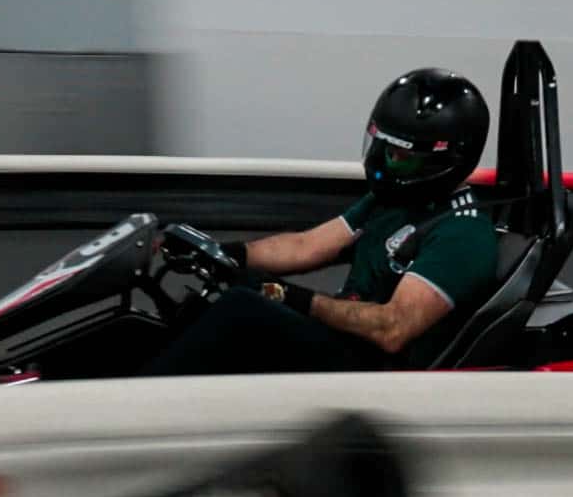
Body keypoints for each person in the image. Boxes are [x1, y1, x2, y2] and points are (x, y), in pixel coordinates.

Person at [141, 68, 498, 376]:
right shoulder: (393, 201)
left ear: (444, 159)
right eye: (384, 149)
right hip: (344, 347)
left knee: (243, 310)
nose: (386, 164)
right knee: (214, 302)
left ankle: (139, 409)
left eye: (400, 156)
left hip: (377, 372)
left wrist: (286, 295)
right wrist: (221, 252)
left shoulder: (463, 232)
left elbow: (394, 328)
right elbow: (306, 246)